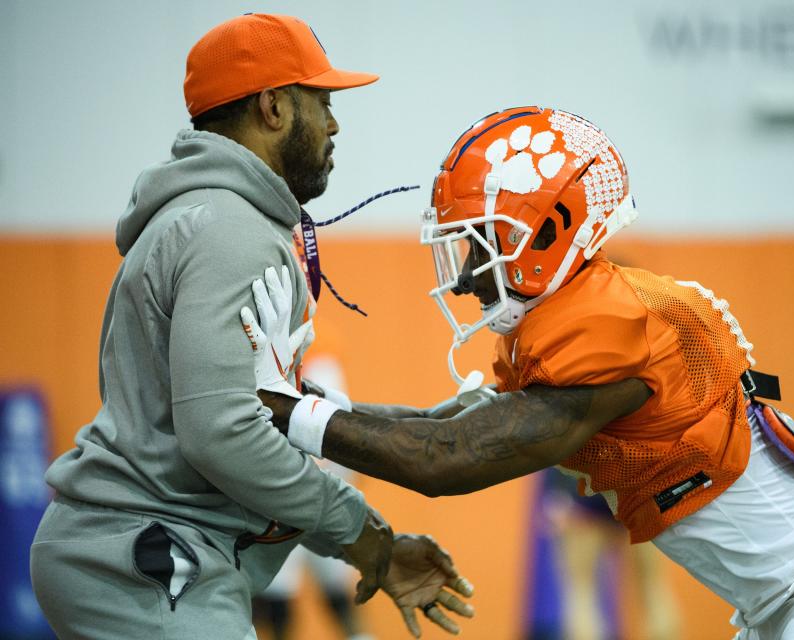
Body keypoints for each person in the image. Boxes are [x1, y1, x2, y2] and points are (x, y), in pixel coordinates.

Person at [250, 107, 794, 639]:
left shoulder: (615, 325)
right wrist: (304, 402)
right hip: (784, 599)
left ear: (549, 230)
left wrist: (282, 410)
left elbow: (445, 461)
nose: (463, 277)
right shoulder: (571, 317)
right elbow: (442, 424)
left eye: (479, 244)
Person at [30, 14, 472, 640]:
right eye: (321, 101)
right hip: (147, 559)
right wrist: (365, 535)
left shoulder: (217, 219)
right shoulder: (230, 231)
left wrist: (424, 424)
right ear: (273, 107)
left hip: (145, 551)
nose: (334, 122)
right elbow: (222, 431)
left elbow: (271, 411)